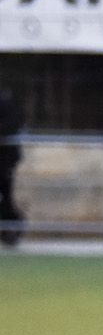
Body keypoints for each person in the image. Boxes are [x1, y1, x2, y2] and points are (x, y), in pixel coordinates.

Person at [0, 83, 23, 248]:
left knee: (5, 195)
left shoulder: (6, 100)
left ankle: (11, 228)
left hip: (5, 158)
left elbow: (13, 124)